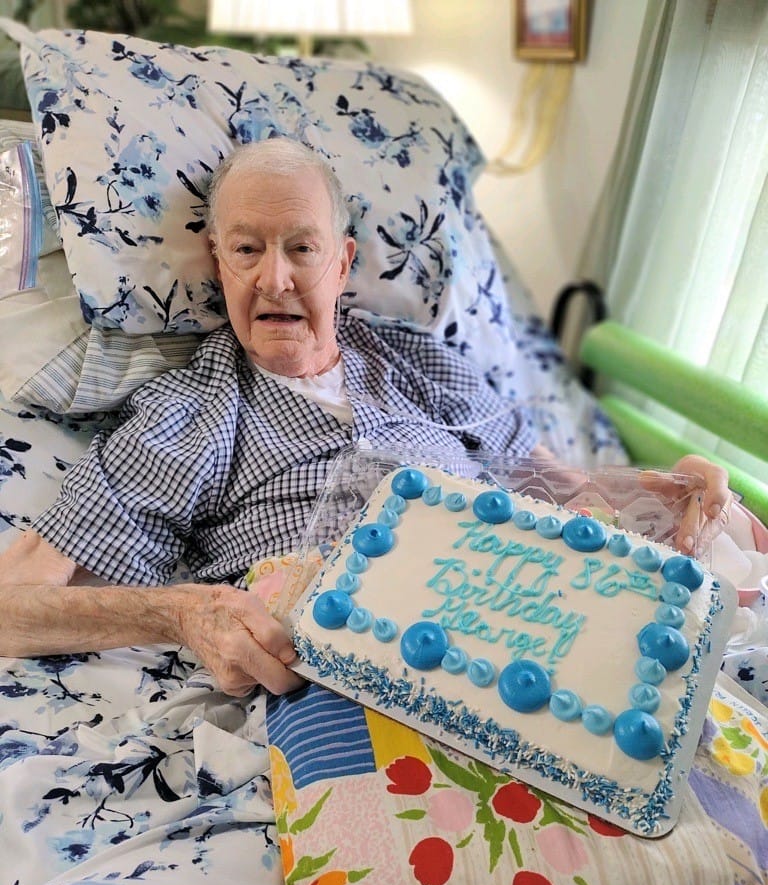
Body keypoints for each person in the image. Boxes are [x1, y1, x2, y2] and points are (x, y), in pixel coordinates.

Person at [0, 138, 733, 697]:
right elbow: (9, 607)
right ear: (217, 262)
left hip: (542, 638)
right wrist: (183, 612)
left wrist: (663, 492)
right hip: (365, 686)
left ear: (343, 263)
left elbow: (563, 491)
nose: (274, 278)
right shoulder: (184, 418)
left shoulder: (415, 357)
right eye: (248, 249)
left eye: (302, 248)